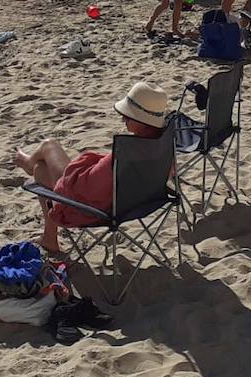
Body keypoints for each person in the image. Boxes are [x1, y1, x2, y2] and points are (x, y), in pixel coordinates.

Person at [13, 82, 170, 252]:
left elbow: (84, 188)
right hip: (138, 204)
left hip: (94, 208)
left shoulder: (126, 154)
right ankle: (49, 238)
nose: (123, 118)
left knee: (48, 147)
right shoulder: (161, 147)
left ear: (141, 121)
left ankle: (29, 164)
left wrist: (85, 163)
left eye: (127, 115)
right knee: (41, 169)